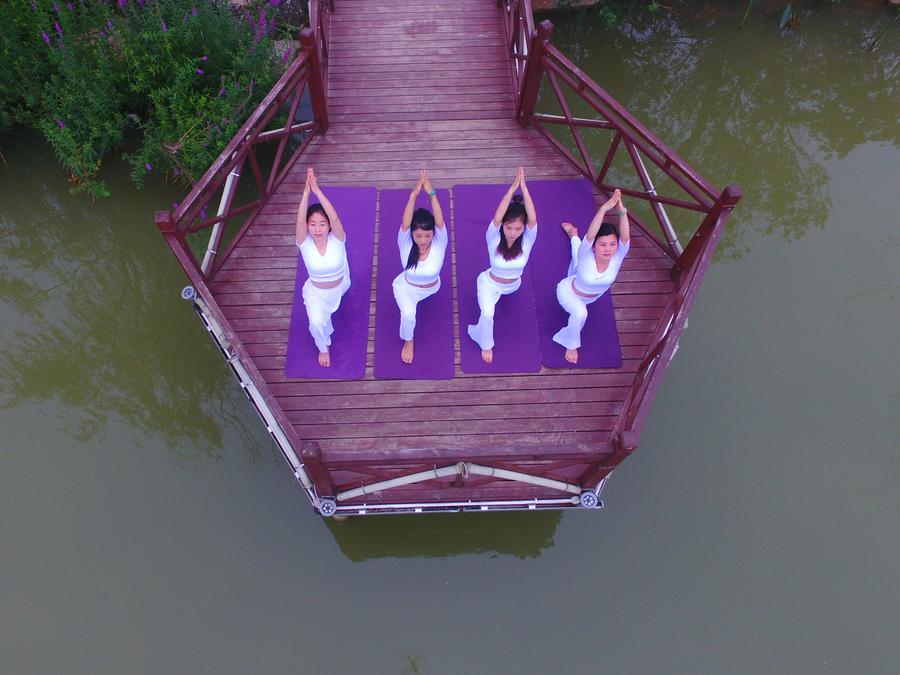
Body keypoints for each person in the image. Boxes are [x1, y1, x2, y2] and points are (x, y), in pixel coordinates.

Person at [466, 167, 538, 363]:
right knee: (487, 315)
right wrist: (512, 188)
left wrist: (525, 190)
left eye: (518, 228)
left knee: (491, 311)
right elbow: (498, 217)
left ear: (524, 229)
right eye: (509, 227)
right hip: (489, 284)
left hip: (513, 285)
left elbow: (532, 219)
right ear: (503, 226)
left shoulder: (527, 240)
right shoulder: (493, 237)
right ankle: (486, 345)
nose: (513, 232)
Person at [553, 188, 630, 365]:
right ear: (594, 246)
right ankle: (570, 343)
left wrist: (622, 211)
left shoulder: (617, 257)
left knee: (577, 259)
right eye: (603, 245)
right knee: (581, 314)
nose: (608, 249)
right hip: (569, 291)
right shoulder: (587, 253)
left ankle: (573, 235)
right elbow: (590, 236)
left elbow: (625, 238)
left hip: (589, 292)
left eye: (612, 244)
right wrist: (603, 209)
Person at [295, 167, 349, 368]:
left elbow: (335, 218)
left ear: (328, 226)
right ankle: (323, 348)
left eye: (322, 224)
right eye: (313, 224)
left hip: (340, 286)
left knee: (332, 307)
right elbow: (299, 221)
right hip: (317, 293)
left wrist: (317, 191)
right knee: (317, 323)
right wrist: (306, 193)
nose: (317, 229)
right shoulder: (304, 243)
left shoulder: (338, 239)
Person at [392, 169, 447, 365]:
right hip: (407, 288)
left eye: (427, 235)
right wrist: (413, 195)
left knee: (414, 309)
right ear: (411, 235)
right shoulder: (405, 243)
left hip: (432, 288)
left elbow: (439, 222)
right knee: (408, 314)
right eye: (418, 236)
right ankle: (409, 341)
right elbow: (405, 224)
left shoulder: (440, 242)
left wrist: (432, 194)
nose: (423, 240)